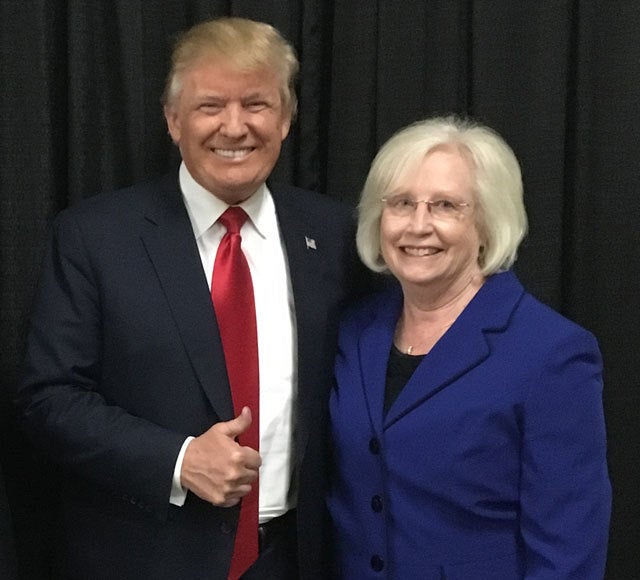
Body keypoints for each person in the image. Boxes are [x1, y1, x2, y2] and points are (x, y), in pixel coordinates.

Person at [17, 17, 367, 580]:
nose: (235, 127)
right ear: (173, 119)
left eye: (256, 103)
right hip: (144, 557)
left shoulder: (335, 235)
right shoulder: (95, 237)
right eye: (210, 106)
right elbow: (48, 398)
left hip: (298, 557)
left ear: (287, 118)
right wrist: (177, 460)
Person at [327, 116, 611, 578]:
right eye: (401, 203)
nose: (418, 226)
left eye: (445, 206)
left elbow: (569, 552)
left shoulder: (552, 355)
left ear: (487, 221)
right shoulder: (355, 330)